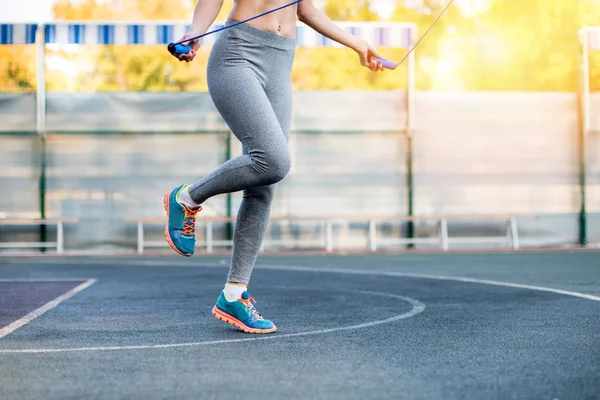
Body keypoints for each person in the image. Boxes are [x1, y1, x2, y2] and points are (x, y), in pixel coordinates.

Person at [164, 0, 385, 334]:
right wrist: (197, 32)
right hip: (238, 55)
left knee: (263, 184)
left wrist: (358, 44)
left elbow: (305, 8)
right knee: (273, 160)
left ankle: (234, 294)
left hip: (280, 61)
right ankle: (188, 197)